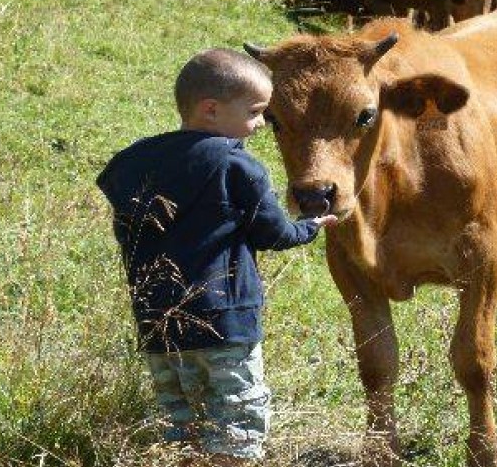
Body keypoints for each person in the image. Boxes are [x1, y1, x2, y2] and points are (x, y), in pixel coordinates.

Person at [96, 48, 337, 466]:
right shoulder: (237, 165)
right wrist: (309, 228)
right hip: (226, 324)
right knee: (235, 435)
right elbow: (272, 233)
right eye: (256, 112)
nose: (261, 123)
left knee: (181, 433)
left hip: (158, 324)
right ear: (211, 110)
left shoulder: (133, 162)